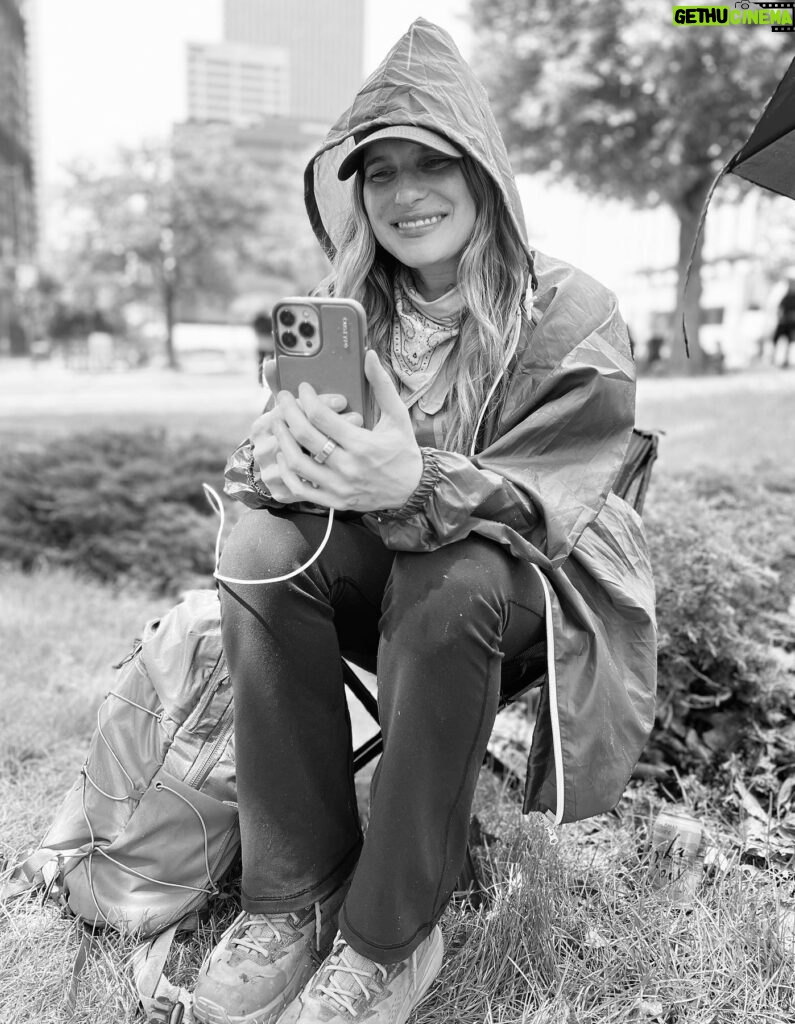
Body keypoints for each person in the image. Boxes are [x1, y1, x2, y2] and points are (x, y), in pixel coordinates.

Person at [192, 19, 657, 1024]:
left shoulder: (573, 310)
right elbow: (274, 473)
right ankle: (295, 891)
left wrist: (413, 478)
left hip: (515, 595)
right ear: (354, 190)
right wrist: (276, 461)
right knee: (264, 548)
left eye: (431, 162)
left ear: (482, 168)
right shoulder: (343, 307)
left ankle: (388, 935)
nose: (404, 194)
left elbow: (548, 505)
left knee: (449, 582)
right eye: (380, 171)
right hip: (379, 591)